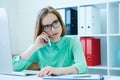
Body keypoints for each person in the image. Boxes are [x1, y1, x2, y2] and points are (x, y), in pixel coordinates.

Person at [12, 6, 88, 77]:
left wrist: (55, 70)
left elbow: (82, 67)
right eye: (47, 26)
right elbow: (14, 67)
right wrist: (34, 47)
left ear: (60, 22)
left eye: (55, 23)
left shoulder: (72, 42)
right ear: (42, 30)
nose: (53, 29)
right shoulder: (38, 46)